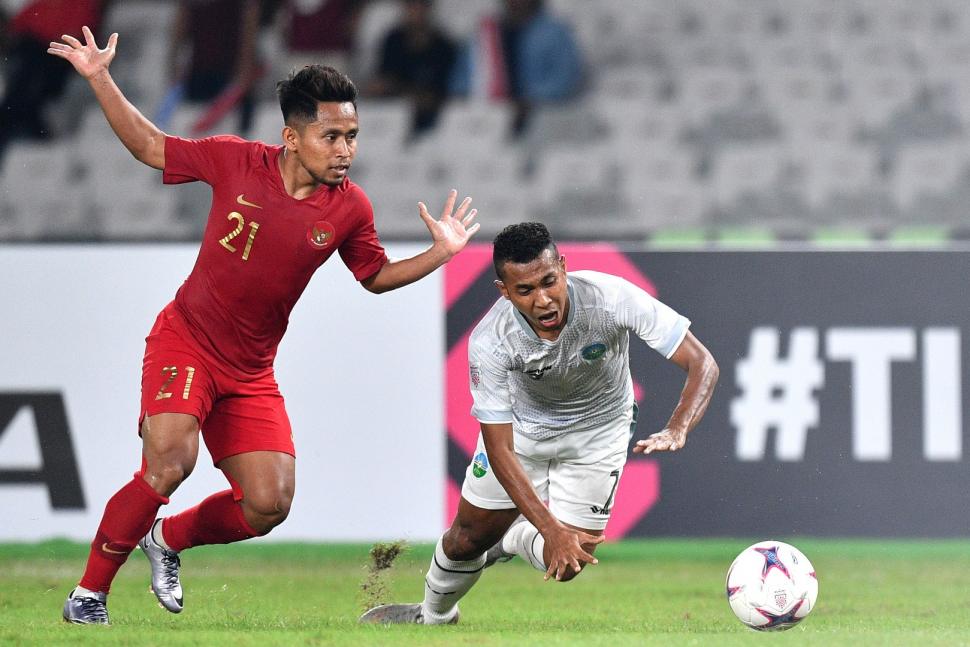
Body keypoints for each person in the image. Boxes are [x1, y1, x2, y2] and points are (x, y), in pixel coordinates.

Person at [48, 26, 480, 625]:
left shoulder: (350, 207)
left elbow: (375, 276)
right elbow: (151, 147)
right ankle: (88, 595)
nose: (345, 150)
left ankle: (166, 540)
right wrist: (100, 77)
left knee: (269, 504)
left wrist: (441, 253)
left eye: (352, 136)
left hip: (250, 370)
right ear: (291, 137)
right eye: (331, 137)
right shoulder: (235, 160)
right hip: (186, 339)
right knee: (170, 462)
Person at [360, 222, 718, 625]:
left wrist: (678, 427)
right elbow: (499, 449)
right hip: (524, 433)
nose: (544, 300)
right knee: (465, 541)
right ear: (504, 290)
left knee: (571, 560)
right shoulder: (491, 341)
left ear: (563, 268)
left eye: (549, 281)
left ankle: (509, 538)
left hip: (599, 432)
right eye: (525, 291)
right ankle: (433, 617)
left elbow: (702, 362)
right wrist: (548, 527)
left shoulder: (611, 297)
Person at [449, 0, 583, 135]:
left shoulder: (555, 32)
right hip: (486, 120)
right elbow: (462, 78)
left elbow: (565, 79)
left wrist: (530, 100)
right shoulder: (486, 33)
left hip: (542, 119)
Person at [0, 0, 109, 161]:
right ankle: (31, 131)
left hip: (47, 48)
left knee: (25, 97)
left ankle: (32, 131)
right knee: (21, 97)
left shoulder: (83, 7)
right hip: (37, 44)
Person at [166, 0, 262, 134]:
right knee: (196, 129)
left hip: (228, 73)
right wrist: (173, 60)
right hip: (200, 71)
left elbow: (249, 25)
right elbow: (181, 22)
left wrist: (245, 67)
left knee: (227, 132)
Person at [365, 0, 457, 139]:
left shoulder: (443, 46)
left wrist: (405, 92)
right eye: (411, 7)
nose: (415, 12)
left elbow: (440, 94)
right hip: (392, 113)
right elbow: (382, 80)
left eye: (419, 7)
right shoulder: (393, 40)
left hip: (430, 119)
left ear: (428, 9)